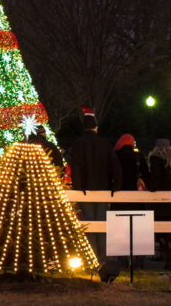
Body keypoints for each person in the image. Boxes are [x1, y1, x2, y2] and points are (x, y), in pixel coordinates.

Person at [66, 107, 121, 278]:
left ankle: (92, 261)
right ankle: (103, 260)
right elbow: (115, 166)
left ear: (84, 127)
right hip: (104, 190)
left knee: (89, 226)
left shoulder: (78, 144)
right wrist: (115, 188)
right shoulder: (105, 144)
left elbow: (75, 167)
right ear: (96, 128)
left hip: (86, 191)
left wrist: (79, 187)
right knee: (102, 225)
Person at [148, 139, 171, 269]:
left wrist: (152, 188)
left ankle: (167, 260)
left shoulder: (156, 158)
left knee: (162, 231)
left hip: (161, 203)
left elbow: (155, 179)